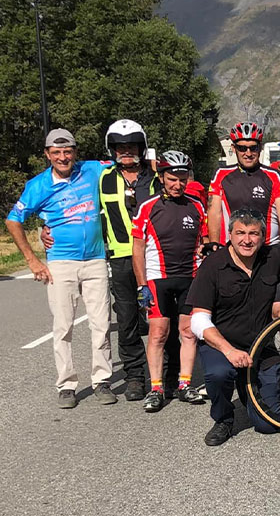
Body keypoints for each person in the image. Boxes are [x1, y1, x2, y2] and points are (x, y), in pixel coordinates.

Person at [187, 208, 280, 446]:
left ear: (263, 236)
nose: (246, 240)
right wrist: (229, 351)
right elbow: (198, 320)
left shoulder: (272, 256)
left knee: (268, 426)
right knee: (219, 374)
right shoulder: (213, 265)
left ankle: (248, 387)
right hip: (222, 346)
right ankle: (223, 419)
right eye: (240, 233)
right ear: (230, 234)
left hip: (261, 347)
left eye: (253, 234)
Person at [5, 129, 117, 408]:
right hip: (61, 262)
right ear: (47, 155)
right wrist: (32, 259)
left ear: (75, 152)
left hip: (95, 259)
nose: (63, 157)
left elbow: (126, 162)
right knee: (63, 326)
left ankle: (102, 380)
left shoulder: (91, 170)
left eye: (67, 151)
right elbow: (13, 221)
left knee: (101, 324)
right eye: (56, 152)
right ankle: (66, 385)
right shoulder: (38, 185)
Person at [131, 151, 208, 411]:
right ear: (162, 177)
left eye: (182, 178)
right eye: (172, 178)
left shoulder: (196, 205)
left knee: (188, 332)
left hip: (190, 278)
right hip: (157, 279)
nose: (178, 184)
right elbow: (138, 249)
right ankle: (156, 388)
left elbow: (205, 240)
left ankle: (184, 384)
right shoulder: (148, 207)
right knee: (158, 333)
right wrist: (142, 285)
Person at [96, 119, 163, 401]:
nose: (126, 152)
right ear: (113, 150)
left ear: (141, 148)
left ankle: (166, 375)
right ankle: (135, 375)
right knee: (126, 319)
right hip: (121, 257)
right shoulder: (104, 178)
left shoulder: (156, 178)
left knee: (161, 317)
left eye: (131, 146)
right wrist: (48, 224)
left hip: (153, 256)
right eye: (120, 147)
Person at [208, 122, 280, 247]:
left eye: (253, 148)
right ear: (233, 148)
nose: (248, 153)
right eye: (242, 148)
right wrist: (214, 244)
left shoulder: (274, 175)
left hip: (267, 248)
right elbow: (214, 213)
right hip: (232, 249)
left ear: (260, 148)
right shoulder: (221, 174)